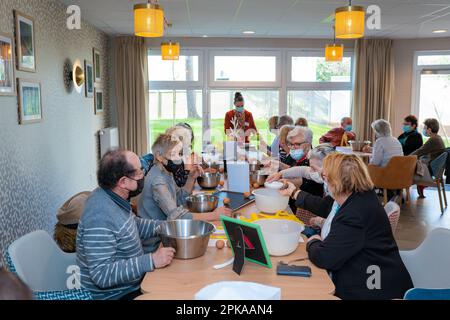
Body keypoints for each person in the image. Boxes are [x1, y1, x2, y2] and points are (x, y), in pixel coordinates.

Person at [280, 153, 413, 300]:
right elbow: (325, 206)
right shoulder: (359, 195)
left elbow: (325, 257)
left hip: (373, 287)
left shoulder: (354, 214)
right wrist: (294, 192)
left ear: (336, 181)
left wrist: (313, 241)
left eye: (325, 176)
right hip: (377, 273)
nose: (323, 179)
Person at [77, 149, 176, 300]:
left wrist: (164, 227)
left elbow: (131, 225)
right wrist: (151, 260)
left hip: (132, 285)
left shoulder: (113, 196)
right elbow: (101, 274)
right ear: (123, 182)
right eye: (139, 172)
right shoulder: (99, 215)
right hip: (115, 296)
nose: (143, 174)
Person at [138, 134, 232, 252]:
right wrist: (213, 215)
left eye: (180, 153)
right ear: (159, 157)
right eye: (173, 154)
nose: (178, 159)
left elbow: (179, 200)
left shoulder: (166, 172)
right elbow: (177, 217)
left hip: (166, 234)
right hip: (156, 245)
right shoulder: (158, 181)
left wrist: (191, 178)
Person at [412, 118, 446, 198]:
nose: (424, 130)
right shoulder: (438, 138)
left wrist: (406, 158)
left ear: (429, 129)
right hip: (435, 169)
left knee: (407, 168)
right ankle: (420, 186)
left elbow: (420, 151)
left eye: (424, 128)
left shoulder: (433, 140)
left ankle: (398, 193)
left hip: (429, 170)